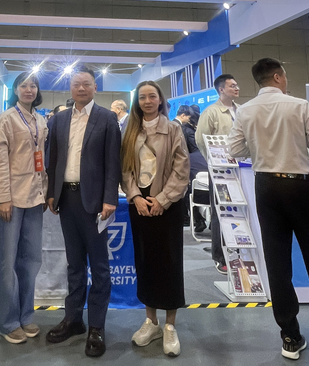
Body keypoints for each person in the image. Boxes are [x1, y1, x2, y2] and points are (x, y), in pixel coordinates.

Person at [229, 58, 309, 361]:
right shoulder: (300, 106)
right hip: (299, 186)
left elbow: (234, 149)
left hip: (266, 188)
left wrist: (259, 148)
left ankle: (290, 337)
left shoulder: (245, 110)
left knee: (277, 264)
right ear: (279, 77)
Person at [46, 66, 121, 358]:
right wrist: (52, 192)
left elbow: (113, 162)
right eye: (76, 84)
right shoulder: (60, 119)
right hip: (67, 199)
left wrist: (109, 198)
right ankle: (73, 319)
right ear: (70, 87)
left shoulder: (107, 118)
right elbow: (53, 159)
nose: (81, 88)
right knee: (74, 264)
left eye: (86, 84)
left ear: (95, 87)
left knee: (100, 267)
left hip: (95, 203)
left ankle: (97, 326)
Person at [121, 81, 189, 357]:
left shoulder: (172, 129)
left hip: (167, 205)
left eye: (152, 96)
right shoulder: (130, 130)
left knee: (169, 263)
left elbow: (181, 168)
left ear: (160, 100)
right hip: (139, 204)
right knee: (145, 261)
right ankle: (151, 322)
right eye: (142, 97)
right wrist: (135, 196)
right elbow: (125, 168)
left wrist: (163, 199)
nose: (147, 101)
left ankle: (170, 325)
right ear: (137, 102)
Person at [0, 72, 48, 344]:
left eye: (33, 85)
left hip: (35, 199)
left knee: (31, 261)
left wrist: (44, 192)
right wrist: (3, 197)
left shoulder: (40, 120)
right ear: (15, 90)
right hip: (11, 200)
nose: (28, 89)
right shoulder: (7, 119)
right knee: (7, 263)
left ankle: (26, 316)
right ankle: (7, 322)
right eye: (23, 85)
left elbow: (41, 160)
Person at [196, 74, 240, 274]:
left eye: (236, 85)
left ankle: (240, 252)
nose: (236, 88)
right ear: (221, 89)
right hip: (220, 170)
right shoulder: (211, 112)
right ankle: (220, 255)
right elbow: (200, 140)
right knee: (220, 212)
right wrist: (213, 162)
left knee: (240, 212)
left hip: (242, 169)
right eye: (232, 86)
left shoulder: (240, 111)